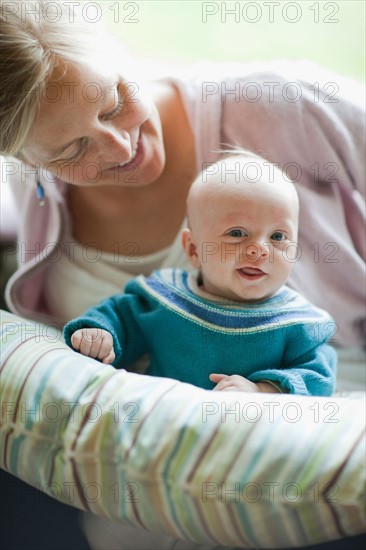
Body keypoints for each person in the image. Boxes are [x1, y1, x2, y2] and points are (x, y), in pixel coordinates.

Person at [0, 1, 365, 549]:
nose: (123, 147)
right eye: (73, 148)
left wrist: (274, 388)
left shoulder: (283, 107)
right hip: (140, 506)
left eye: (115, 101)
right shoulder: (34, 193)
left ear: (118, 52)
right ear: (22, 158)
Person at [64, 152, 337, 396]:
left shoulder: (296, 321)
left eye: (278, 236)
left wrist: (263, 389)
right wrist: (100, 333)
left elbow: (319, 376)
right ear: (194, 250)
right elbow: (122, 317)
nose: (260, 250)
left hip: (242, 433)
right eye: (237, 233)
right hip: (164, 419)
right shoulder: (166, 298)